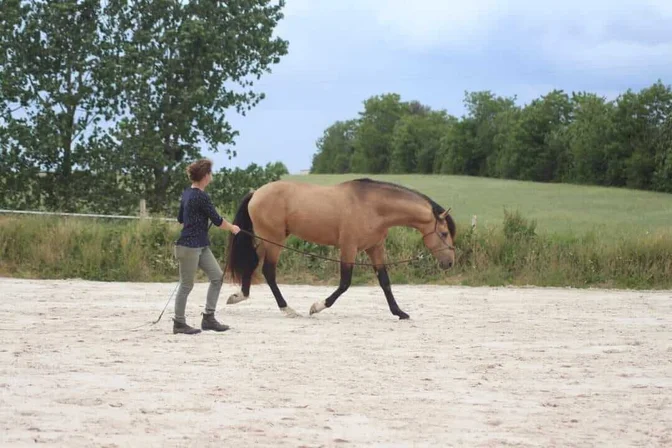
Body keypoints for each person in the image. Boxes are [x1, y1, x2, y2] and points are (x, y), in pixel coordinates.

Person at [172, 158, 240, 335]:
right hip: (188, 246)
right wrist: (233, 228)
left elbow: (180, 219)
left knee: (217, 277)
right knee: (186, 285)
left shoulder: (187, 193)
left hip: (201, 245)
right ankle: (179, 323)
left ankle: (208, 318)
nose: (211, 176)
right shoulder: (201, 196)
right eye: (210, 173)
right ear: (204, 176)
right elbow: (218, 221)